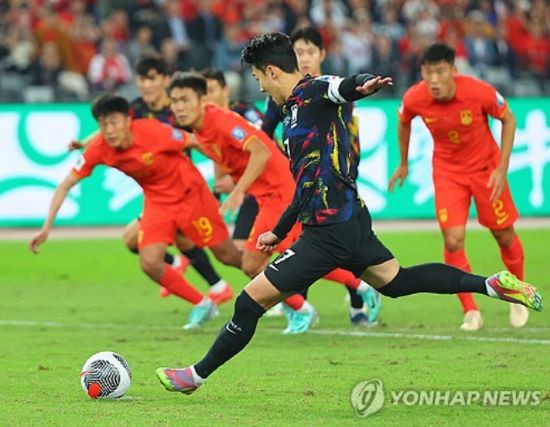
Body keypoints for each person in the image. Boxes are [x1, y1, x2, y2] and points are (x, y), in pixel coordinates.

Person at [156, 33, 542, 394]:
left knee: (249, 301)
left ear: (272, 72)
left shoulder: (313, 90)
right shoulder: (290, 111)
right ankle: (491, 284)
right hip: (348, 219)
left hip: (329, 231)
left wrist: (365, 83)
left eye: (258, 77)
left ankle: (195, 376)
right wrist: (281, 229)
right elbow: (306, 183)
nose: (258, 86)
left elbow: (343, 86)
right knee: (396, 282)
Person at [168, 71, 369, 334]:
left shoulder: (221, 120)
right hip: (268, 196)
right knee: (275, 260)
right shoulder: (200, 130)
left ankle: (326, 300)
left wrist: (239, 190)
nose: (179, 107)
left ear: (202, 99)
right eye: (174, 101)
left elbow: (260, 151)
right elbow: (220, 156)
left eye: (185, 100)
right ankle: (332, 297)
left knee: (268, 261)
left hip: (279, 192)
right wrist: (227, 183)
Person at [30, 94, 243, 330]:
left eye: (113, 122)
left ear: (128, 119)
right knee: (150, 262)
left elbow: (195, 142)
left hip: (191, 195)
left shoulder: (154, 131)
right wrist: (46, 227)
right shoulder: (98, 149)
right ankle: (203, 304)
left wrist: (235, 176)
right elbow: (65, 185)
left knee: (228, 256)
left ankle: (287, 297)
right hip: (157, 201)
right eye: (103, 125)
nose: (109, 130)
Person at [69, 54, 234, 305]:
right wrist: (84, 143)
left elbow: (203, 139)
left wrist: (224, 178)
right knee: (135, 239)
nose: (146, 85)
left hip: (185, 185)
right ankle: (205, 279)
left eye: (152, 79)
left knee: (191, 241)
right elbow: (108, 128)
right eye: (142, 80)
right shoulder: (134, 109)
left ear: (165, 80)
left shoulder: (179, 108)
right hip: (160, 190)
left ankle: (214, 283)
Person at [389, 43, 529, 331]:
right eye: (428, 73)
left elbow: (508, 118)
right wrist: (403, 162)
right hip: (448, 173)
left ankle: (516, 295)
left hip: (486, 170)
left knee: (503, 235)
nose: (434, 81)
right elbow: (403, 121)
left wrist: (502, 167)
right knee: (452, 240)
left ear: (453, 70)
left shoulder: (478, 91)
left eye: (440, 72)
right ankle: (470, 310)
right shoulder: (415, 97)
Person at [264, 26, 382, 328]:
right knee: (311, 242)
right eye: (298, 52)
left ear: (321, 55)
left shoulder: (327, 88)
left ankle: (349, 296)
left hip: (336, 175)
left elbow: (346, 128)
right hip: (307, 177)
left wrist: (348, 169)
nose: (304, 58)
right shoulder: (282, 95)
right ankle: (341, 296)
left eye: (309, 52)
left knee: (319, 244)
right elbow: (266, 134)